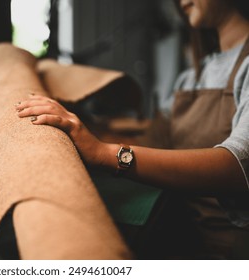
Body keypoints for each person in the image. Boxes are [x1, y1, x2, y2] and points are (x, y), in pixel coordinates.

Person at [15, 0, 249, 259]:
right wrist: (73, 129)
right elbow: (157, 137)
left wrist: (107, 153)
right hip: (186, 233)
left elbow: (239, 166)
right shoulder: (193, 74)